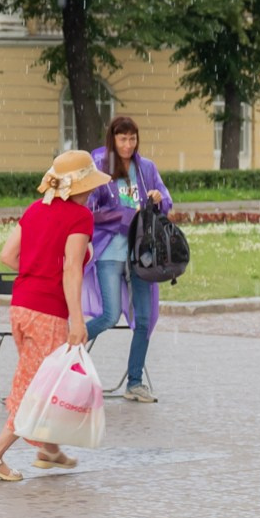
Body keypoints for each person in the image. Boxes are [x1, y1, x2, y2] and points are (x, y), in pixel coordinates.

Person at [0, 150, 107, 481]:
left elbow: (8, 255)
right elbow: (71, 269)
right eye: (90, 186)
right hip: (49, 311)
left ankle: (48, 449)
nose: (92, 193)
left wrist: (37, 270)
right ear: (79, 186)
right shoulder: (80, 218)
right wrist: (77, 320)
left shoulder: (36, 209)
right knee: (37, 385)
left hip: (21, 306)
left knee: (38, 377)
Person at [85, 115, 172, 404]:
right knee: (109, 316)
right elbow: (88, 211)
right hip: (110, 251)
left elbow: (166, 204)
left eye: (132, 138)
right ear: (113, 139)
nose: (128, 144)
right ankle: (62, 352)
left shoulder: (146, 168)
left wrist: (159, 200)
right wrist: (120, 215)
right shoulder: (100, 167)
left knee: (145, 319)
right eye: (122, 138)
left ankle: (134, 383)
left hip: (141, 254)